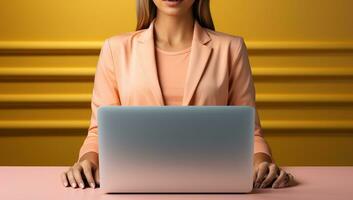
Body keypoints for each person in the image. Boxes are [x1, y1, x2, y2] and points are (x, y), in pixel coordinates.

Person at [61, 0, 294, 190]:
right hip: (135, 188)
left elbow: (250, 131)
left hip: (213, 187)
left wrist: (263, 163)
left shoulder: (231, 49)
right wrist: (87, 161)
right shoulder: (115, 49)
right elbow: (99, 130)